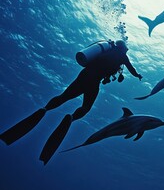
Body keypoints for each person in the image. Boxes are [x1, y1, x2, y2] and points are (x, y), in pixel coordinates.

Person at [0, 40, 142, 165]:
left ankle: (44, 109)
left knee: (63, 97)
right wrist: (138, 75)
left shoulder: (106, 49)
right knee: (85, 108)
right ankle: (71, 117)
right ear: (124, 48)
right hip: (94, 82)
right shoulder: (123, 56)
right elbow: (132, 70)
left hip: (85, 74)